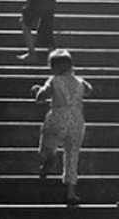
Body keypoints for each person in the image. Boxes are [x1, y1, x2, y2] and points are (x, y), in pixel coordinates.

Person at [31, 49, 92, 206]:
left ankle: (49, 155)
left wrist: (37, 92)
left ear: (54, 68)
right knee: (72, 156)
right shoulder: (80, 82)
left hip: (58, 117)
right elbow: (90, 90)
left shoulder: (54, 80)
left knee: (48, 138)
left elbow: (42, 96)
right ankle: (71, 193)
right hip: (77, 121)